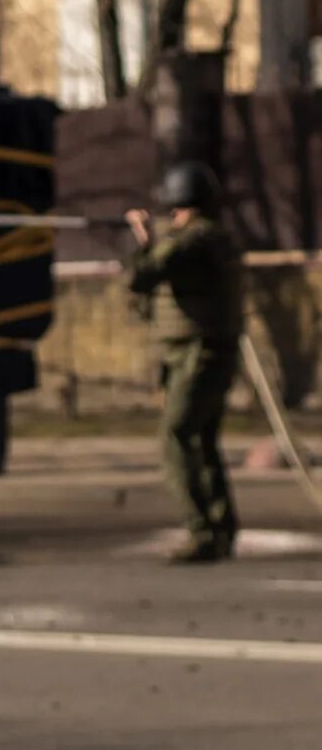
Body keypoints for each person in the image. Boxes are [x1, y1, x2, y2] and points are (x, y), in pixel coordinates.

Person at [126, 160, 247, 563]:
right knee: (201, 440)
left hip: (199, 353)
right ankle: (219, 527)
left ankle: (203, 530)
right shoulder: (210, 237)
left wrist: (143, 239)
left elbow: (143, 275)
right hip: (200, 352)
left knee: (177, 436)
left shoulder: (195, 239)